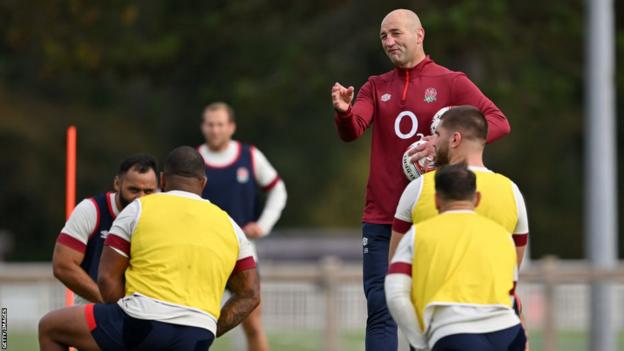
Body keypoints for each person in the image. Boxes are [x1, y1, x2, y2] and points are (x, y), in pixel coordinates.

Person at [330, 9, 509, 350]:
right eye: (383, 36)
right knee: (381, 307)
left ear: (419, 35)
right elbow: (353, 130)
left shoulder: (451, 81)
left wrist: (448, 140)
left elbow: (498, 121)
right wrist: (343, 112)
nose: (389, 41)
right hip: (381, 216)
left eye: (396, 33)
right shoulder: (375, 85)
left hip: (431, 216)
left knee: (425, 307)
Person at [38, 146, 260, 351]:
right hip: (199, 332)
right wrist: (210, 328)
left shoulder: (139, 208)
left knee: (50, 327)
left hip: (140, 322)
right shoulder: (231, 226)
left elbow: (106, 278)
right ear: (203, 183)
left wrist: (122, 321)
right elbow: (250, 294)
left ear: (162, 180)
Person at [385, 164, 526, 351]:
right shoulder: (502, 236)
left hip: (454, 333)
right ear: (477, 199)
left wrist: (420, 343)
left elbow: (395, 294)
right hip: (508, 333)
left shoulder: (417, 235)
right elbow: (510, 290)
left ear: (436, 201)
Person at [390, 105, 529, 267]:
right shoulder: (512, 192)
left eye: (437, 135)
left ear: (455, 139)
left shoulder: (418, 188)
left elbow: (396, 264)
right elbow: (513, 268)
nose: (432, 142)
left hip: (432, 293)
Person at [198, 102, 287, 351]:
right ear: (203, 127)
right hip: (201, 253)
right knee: (193, 320)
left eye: (220, 124)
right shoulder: (194, 160)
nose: (215, 130)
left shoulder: (249, 156)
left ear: (231, 127)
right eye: (210, 124)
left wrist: (263, 225)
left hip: (242, 251)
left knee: (253, 322)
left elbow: (278, 189)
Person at [52, 154, 158, 304]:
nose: (140, 198)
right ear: (117, 183)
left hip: (144, 314)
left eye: (148, 192)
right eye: (134, 190)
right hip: (96, 310)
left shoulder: (161, 216)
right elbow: (62, 266)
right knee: (50, 325)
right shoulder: (91, 210)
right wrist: (110, 303)